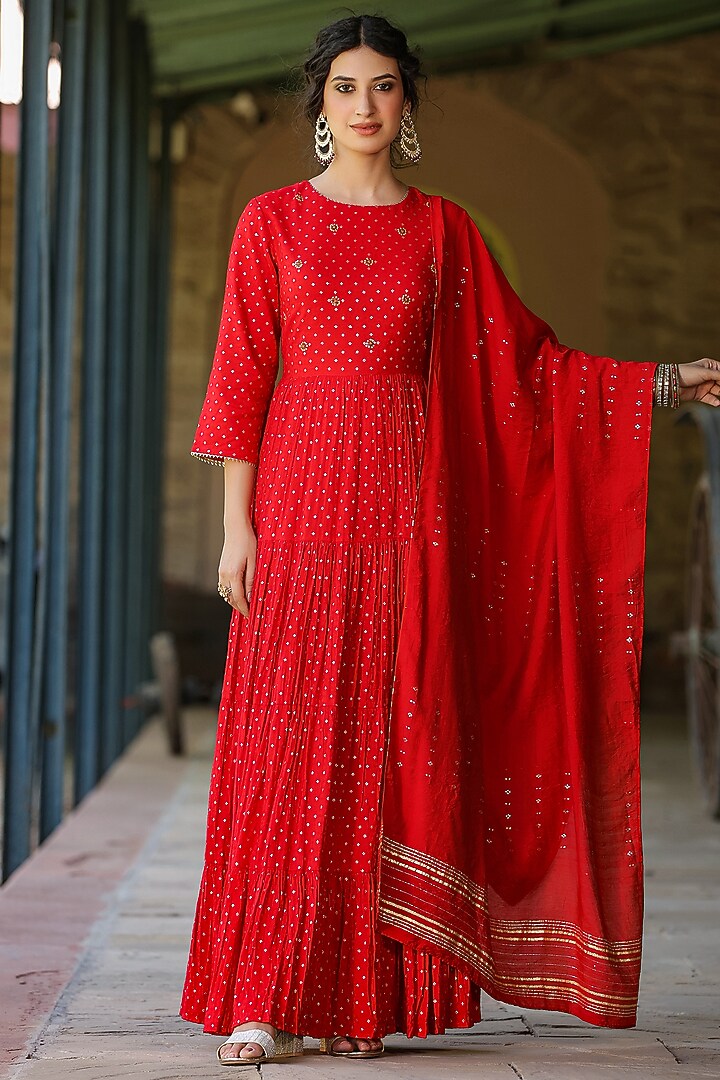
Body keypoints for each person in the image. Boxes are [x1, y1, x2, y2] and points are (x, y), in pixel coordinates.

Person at [179, 12, 720, 1068]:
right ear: (320, 104)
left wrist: (660, 382)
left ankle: (358, 1000)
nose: (367, 106)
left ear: (408, 104)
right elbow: (241, 383)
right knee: (288, 741)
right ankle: (265, 993)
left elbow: (533, 369)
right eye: (347, 88)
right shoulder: (271, 224)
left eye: (385, 87)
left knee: (389, 745)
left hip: (408, 515)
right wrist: (235, 531)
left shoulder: (444, 234)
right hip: (297, 498)